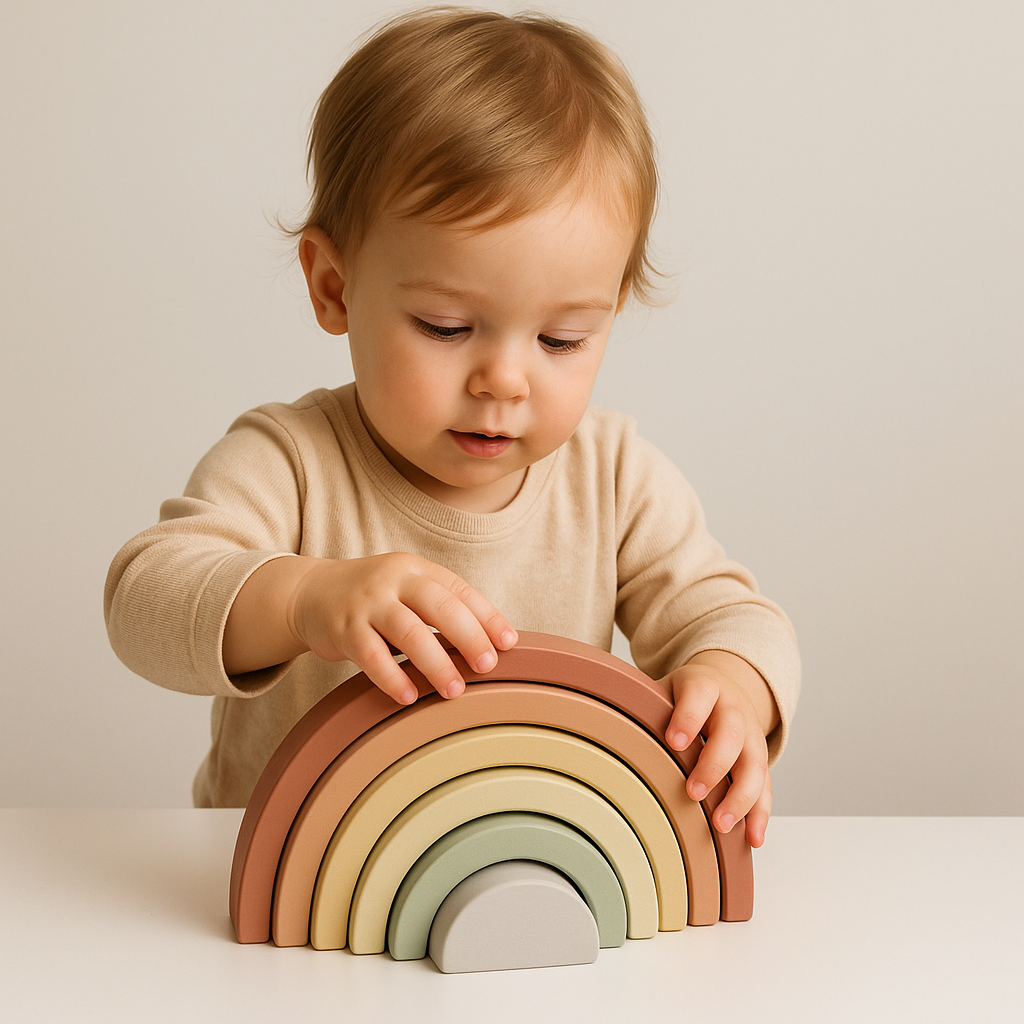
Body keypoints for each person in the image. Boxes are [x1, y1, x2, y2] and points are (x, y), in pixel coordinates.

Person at [104, 7, 799, 848]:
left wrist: (734, 682)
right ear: (334, 287)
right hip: (292, 893)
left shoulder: (612, 478)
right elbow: (144, 599)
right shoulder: (290, 461)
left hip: (532, 861)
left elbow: (734, 613)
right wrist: (304, 598)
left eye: (562, 339)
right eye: (444, 326)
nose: (504, 380)